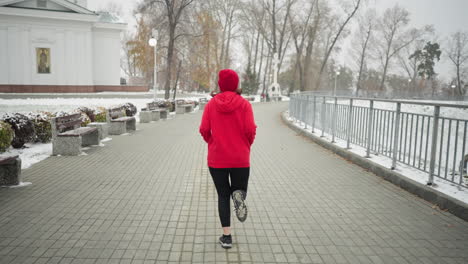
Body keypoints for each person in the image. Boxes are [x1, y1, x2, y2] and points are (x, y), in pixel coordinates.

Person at [199, 69, 257, 249]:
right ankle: (238, 196)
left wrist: (213, 142)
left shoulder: (211, 105)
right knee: (237, 189)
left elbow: (203, 129)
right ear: (236, 84)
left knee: (223, 195)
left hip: (217, 159)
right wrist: (245, 146)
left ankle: (227, 237)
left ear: (220, 84)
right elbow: (251, 130)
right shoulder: (245, 104)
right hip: (240, 158)